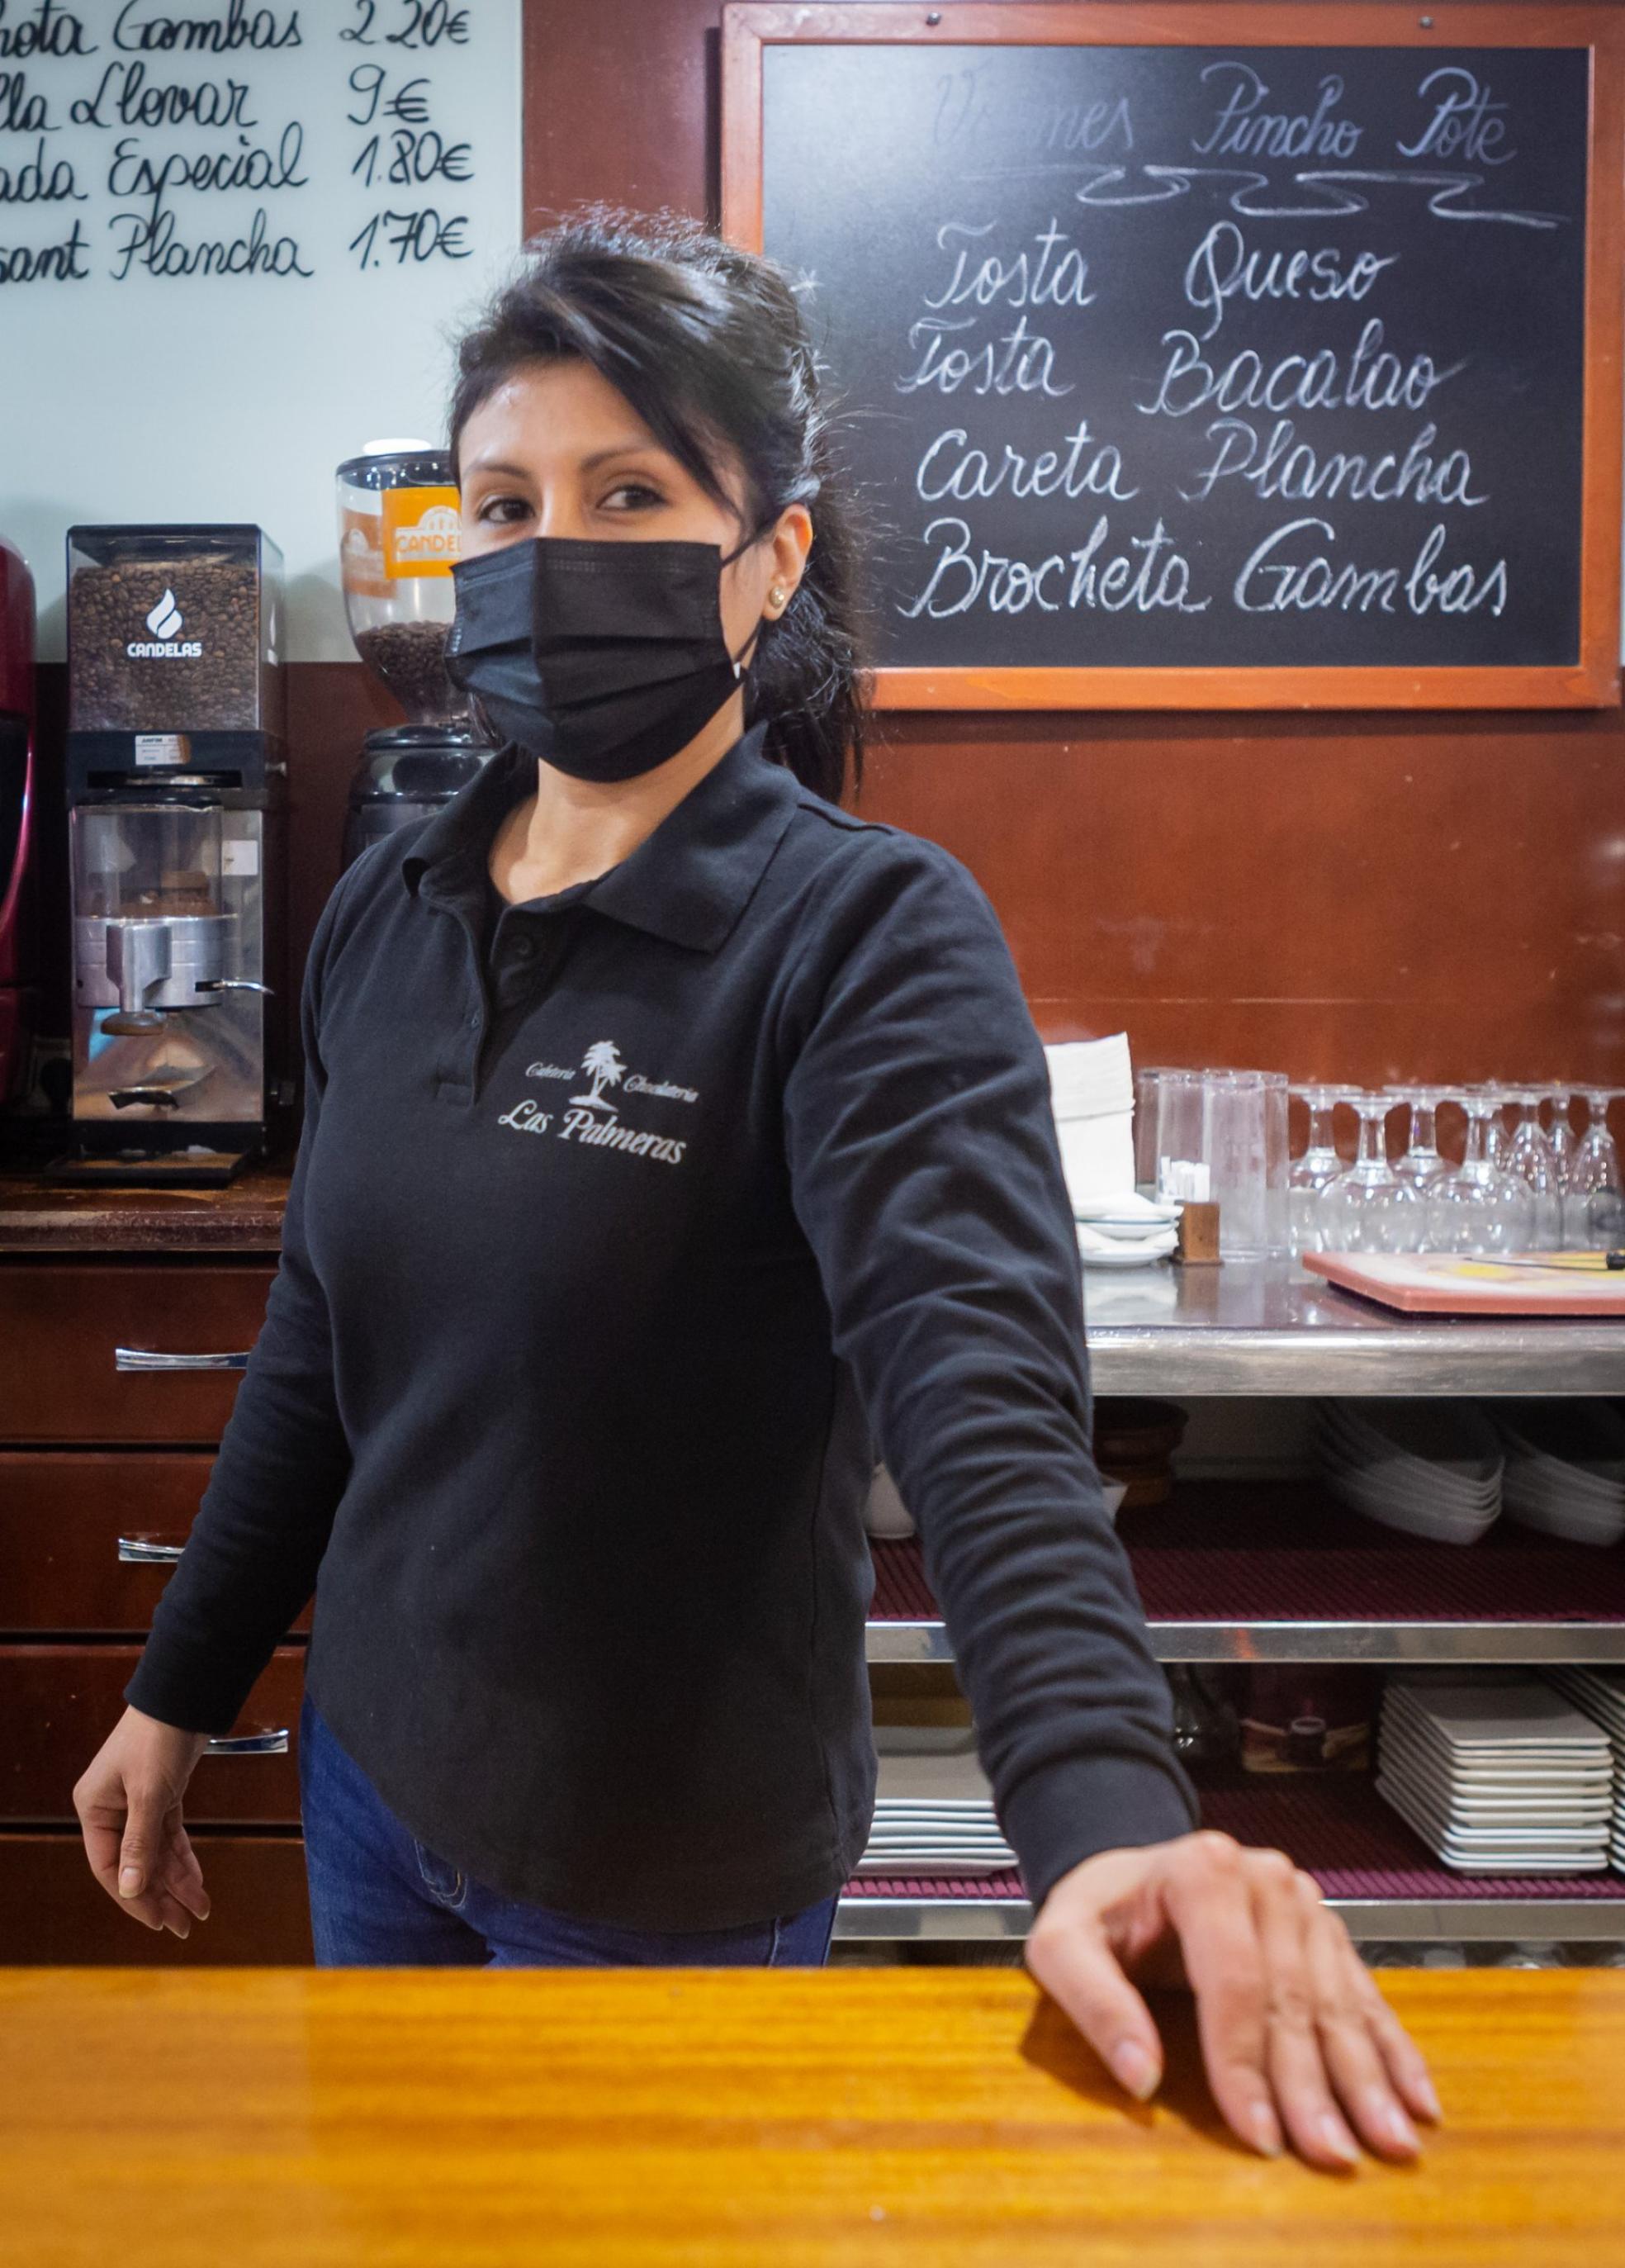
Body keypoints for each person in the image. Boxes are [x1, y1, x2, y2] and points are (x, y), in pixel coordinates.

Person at [74, 208, 1438, 2169]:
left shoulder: (864, 937)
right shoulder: (388, 900)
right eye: (504, 498)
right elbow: (321, 1338)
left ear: (770, 552)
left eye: (631, 490)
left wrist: (1115, 1816)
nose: (552, 547)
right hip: (374, 1794)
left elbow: (985, 1401)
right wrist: (180, 1689)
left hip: (663, 1866)